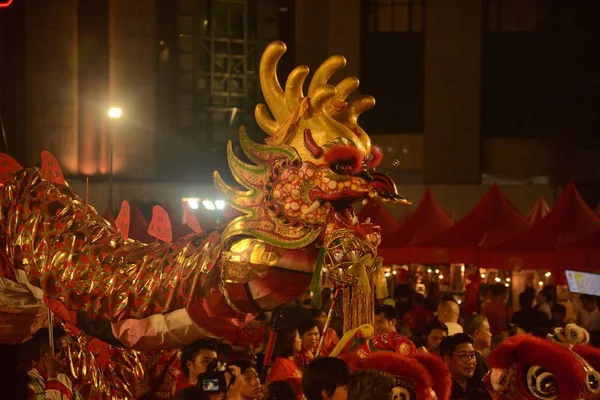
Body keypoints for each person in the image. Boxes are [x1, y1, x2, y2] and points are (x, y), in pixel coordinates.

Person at [26, 327, 82, 400]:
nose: (65, 356)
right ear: (44, 353)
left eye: (66, 350)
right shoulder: (30, 380)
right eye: (59, 351)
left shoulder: (64, 379)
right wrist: (52, 377)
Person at [439, 334, 491, 400]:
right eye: (463, 356)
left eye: (472, 355)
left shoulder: (480, 388)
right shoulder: (440, 392)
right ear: (447, 359)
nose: (470, 361)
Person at [266, 326, 303, 399]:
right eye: (298, 337)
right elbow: (274, 391)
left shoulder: (294, 361)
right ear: (290, 340)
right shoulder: (280, 365)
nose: (301, 340)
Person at [462, 315, 491, 384]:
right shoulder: (477, 360)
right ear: (477, 333)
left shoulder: (465, 357)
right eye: (487, 330)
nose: (490, 334)